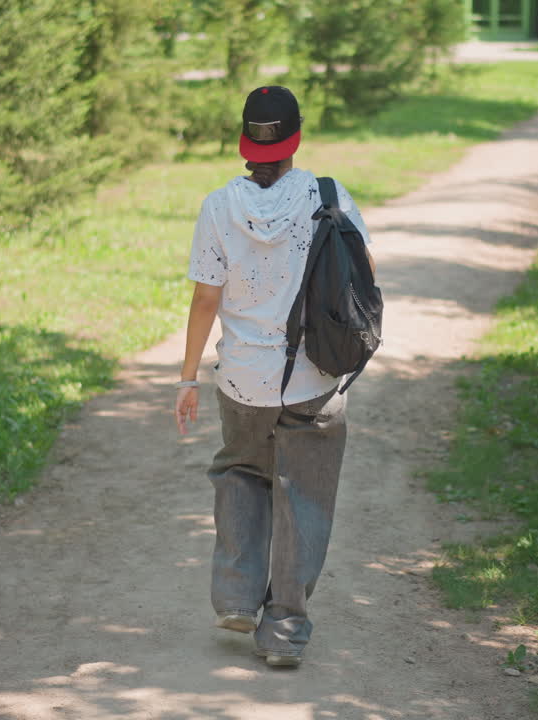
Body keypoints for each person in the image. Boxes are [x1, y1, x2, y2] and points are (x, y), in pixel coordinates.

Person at [174, 85, 374, 668]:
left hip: (241, 380)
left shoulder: (218, 205)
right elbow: (364, 280)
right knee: (304, 496)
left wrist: (187, 379)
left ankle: (237, 597)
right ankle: (284, 631)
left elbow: (205, 299)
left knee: (240, 470)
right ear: (296, 138)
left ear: (245, 140)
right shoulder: (330, 197)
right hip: (313, 379)